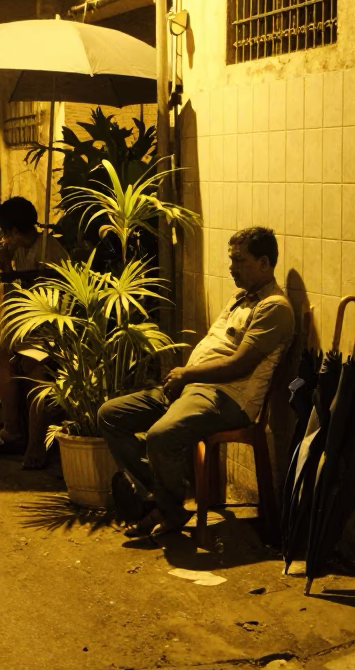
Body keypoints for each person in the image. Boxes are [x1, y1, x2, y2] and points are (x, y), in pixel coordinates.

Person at [99, 226, 295, 539]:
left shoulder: (274, 307)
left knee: (161, 435)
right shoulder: (239, 299)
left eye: (240, 261)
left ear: (264, 263)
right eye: (231, 260)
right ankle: (157, 498)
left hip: (226, 398)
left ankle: (165, 507)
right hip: (195, 388)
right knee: (111, 415)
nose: (232, 267)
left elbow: (239, 364)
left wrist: (187, 374)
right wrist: (186, 378)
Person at [0, 195, 67, 461]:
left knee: (34, 364)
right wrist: (7, 261)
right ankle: (12, 429)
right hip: (32, 327)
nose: (4, 238)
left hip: (54, 327)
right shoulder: (22, 250)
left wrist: (15, 275)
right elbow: (11, 288)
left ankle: (36, 445)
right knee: (4, 354)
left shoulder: (48, 248)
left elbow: (53, 288)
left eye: (5, 232)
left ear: (14, 230)